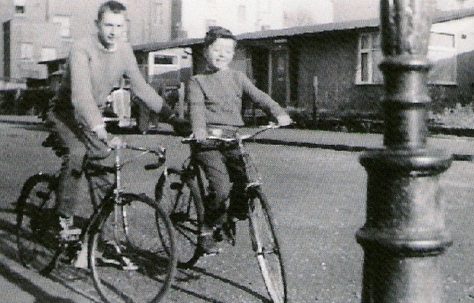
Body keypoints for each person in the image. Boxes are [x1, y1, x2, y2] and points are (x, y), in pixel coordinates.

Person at [47, 0, 179, 241]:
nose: (113, 31)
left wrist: (172, 117)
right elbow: (80, 96)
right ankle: (63, 218)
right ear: (97, 24)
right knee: (77, 153)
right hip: (65, 112)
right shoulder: (82, 48)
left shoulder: (124, 51)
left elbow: (141, 88)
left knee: (102, 168)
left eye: (119, 26)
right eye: (108, 24)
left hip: (91, 114)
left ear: (125, 27)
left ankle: (104, 238)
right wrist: (102, 131)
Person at [186, 26, 292, 254]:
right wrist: (199, 130)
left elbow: (259, 97)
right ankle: (206, 227)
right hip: (207, 143)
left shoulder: (237, 78)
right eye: (216, 49)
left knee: (245, 185)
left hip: (232, 140)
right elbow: (196, 108)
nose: (221, 54)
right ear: (205, 51)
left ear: (233, 55)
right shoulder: (197, 81)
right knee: (221, 188)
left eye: (227, 50)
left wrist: (279, 112)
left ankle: (228, 217)